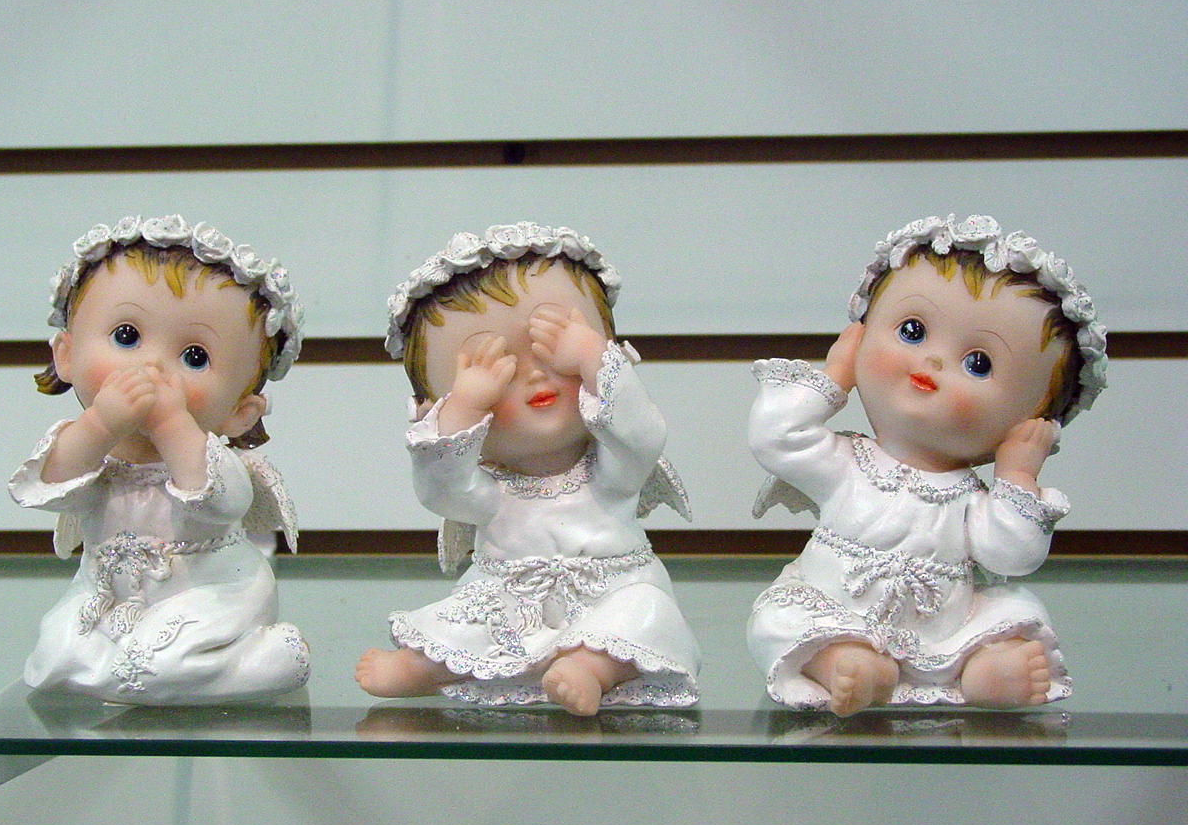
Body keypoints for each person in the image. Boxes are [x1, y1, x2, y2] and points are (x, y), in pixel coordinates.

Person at [747, 215, 1106, 715]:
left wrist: (1017, 475)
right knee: (777, 618)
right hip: (834, 608)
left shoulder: (972, 501)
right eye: (912, 331)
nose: (933, 362)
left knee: (1011, 610)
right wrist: (833, 378)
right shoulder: (847, 462)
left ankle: (981, 671)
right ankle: (842, 661)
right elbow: (776, 439)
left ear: (1030, 422)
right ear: (861, 335)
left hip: (945, 628)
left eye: (978, 363)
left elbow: (1010, 556)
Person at [356, 223, 700, 716]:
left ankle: (590, 668)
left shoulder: (611, 472)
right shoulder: (492, 493)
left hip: (611, 591)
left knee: (643, 610)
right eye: (500, 367)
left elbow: (642, 435)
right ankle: (426, 667)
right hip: (511, 599)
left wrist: (590, 358)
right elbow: (443, 493)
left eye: (550, 347)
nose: (536, 375)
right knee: (468, 617)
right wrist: (466, 409)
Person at [10, 215, 309, 704]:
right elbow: (47, 488)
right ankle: (141, 675)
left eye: (194, 357)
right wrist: (100, 424)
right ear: (65, 355)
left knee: (168, 657)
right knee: (54, 656)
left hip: (207, 596)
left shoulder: (215, 462)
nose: (151, 367)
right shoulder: (88, 448)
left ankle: (270, 658)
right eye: (126, 336)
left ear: (240, 411)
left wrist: (173, 424)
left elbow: (222, 503)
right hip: (106, 594)